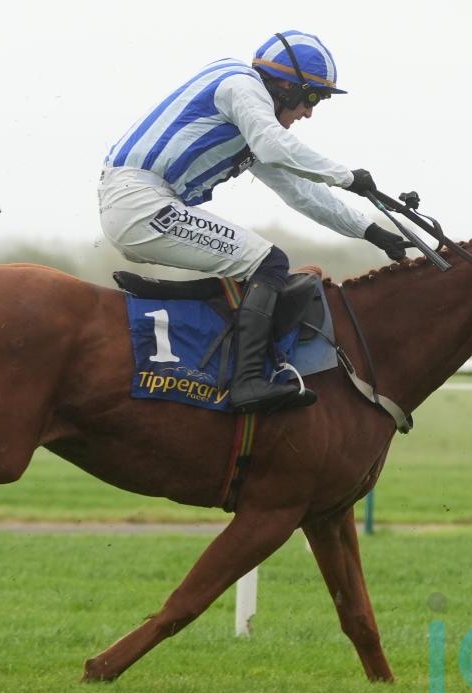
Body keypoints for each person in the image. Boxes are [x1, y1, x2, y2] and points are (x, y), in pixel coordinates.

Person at [99, 30, 407, 415]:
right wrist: (345, 176)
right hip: (142, 204)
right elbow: (275, 145)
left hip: (143, 203)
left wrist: (370, 231)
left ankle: (168, 295)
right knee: (269, 262)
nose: (309, 113)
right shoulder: (240, 85)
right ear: (285, 85)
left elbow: (302, 192)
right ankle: (247, 383)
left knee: (255, 264)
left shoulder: (251, 124)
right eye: (312, 98)